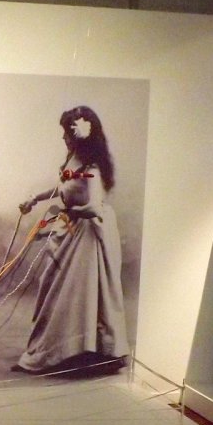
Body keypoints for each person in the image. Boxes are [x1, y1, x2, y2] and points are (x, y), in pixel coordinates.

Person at [15, 105, 129, 373]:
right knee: (55, 286)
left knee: (79, 292)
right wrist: (35, 198)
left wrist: (67, 214)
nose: (64, 136)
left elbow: (94, 207)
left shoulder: (93, 167)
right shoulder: (75, 160)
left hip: (89, 233)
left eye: (69, 130)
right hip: (74, 227)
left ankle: (86, 350)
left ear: (85, 131)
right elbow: (65, 186)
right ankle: (64, 349)